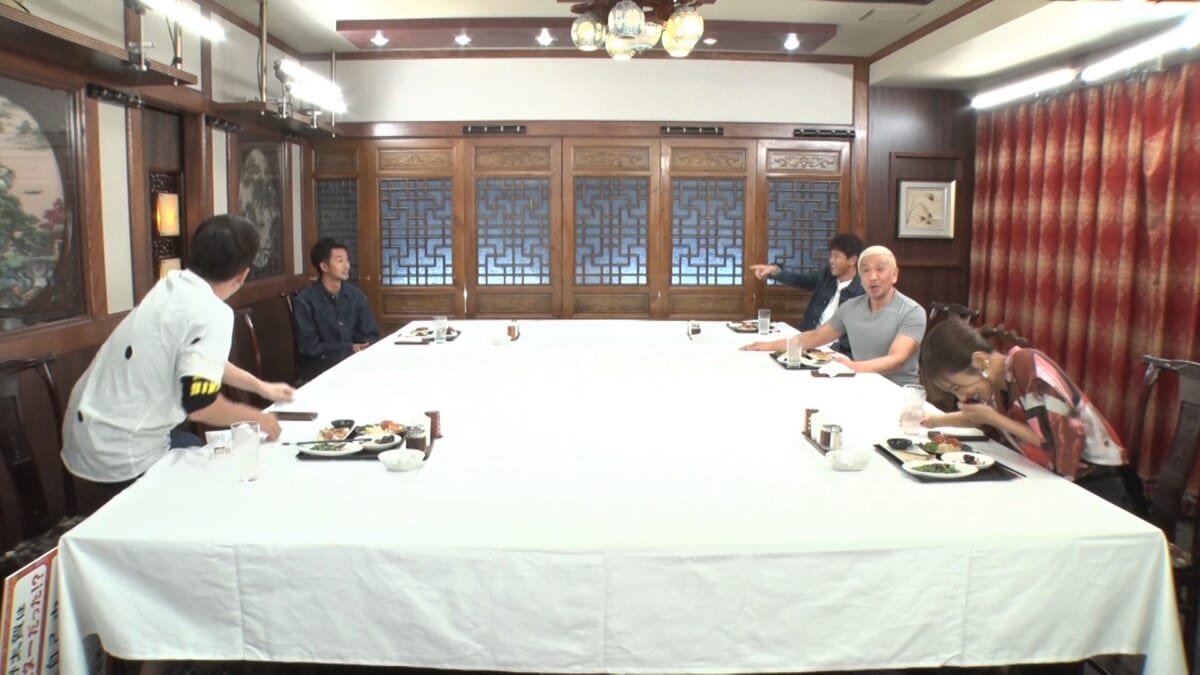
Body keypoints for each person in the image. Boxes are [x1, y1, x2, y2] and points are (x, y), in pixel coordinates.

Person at [61, 215, 293, 486]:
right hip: (120, 450)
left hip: (84, 432)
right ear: (243, 274)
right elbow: (202, 408)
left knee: (199, 446)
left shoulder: (171, 284)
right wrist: (259, 419)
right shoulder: (214, 313)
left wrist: (261, 387)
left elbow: (199, 362)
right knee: (232, 477)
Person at [918, 319, 1132, 508]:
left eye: (957, 387)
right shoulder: (997, 381)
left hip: (1097, 484)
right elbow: (981, 417)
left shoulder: (1030, 368)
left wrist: (994, 419)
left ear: (980, 360)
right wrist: (936, 420)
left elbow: (1058, 440)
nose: (962, 397)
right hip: (1054, 478)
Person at [741, 245, 926, 386]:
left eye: (880, 269)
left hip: (900, 391)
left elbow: (897, 358)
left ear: (894, 275)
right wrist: (767, 345)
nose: (873, 276)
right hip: (861, 382)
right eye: (866, 270)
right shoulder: (850, 307)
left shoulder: (911, 311)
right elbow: (816, 336)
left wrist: (854, 367)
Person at [748, 233, 865, 355]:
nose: (831, 260)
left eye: (836, 257)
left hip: (836, 351)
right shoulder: (826, 276)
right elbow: (800, 279)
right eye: (831, 256)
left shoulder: (862, 291)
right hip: (809, 342)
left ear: (852, 260)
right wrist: (775, 271)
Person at [294, 238, 379, 381]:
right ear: (324, 266)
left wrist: (363, 347)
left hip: (356, 366)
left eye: (347, 260)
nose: (347, 265)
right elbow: (309, 347)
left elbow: (371, 334)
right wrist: (348, 348)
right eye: (340, 261)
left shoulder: (357, 296)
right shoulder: (305, 301)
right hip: (321, 371)